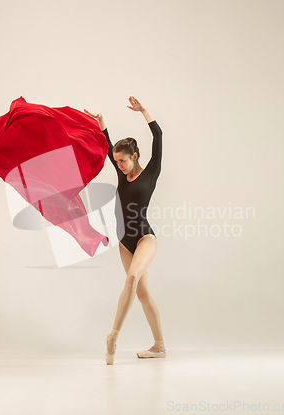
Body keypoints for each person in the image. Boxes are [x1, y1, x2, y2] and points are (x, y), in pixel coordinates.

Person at [84, 96, 166, 364]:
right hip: (124, 241)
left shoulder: (151, 172)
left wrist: (144, 111)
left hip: (145, 238)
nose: (118, 165)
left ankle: (112, 337)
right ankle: (159, 345)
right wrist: (101, 123)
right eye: (116, 161)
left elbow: (158, 135)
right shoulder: (121, 173)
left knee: (131, 279)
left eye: (123, 161)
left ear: (135, 156)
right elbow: (107, 148)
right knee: (142, 293)